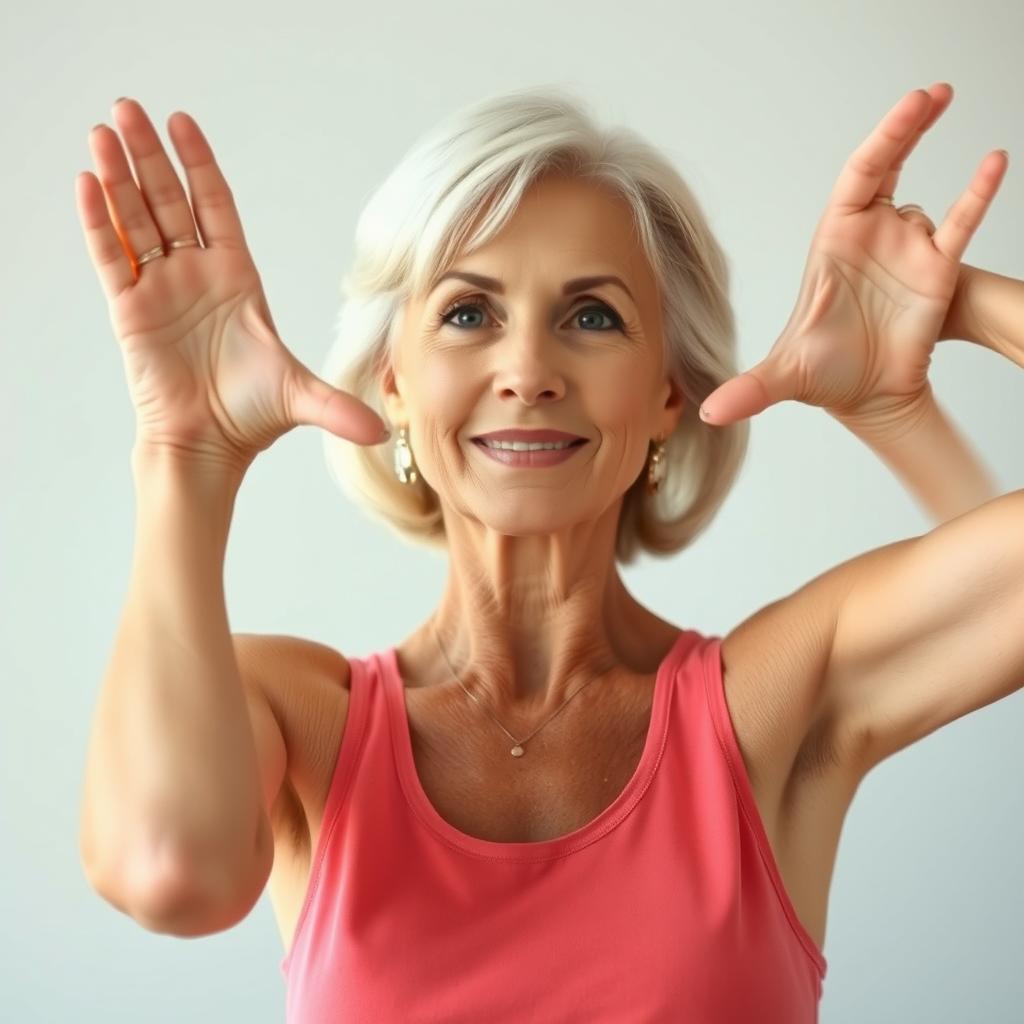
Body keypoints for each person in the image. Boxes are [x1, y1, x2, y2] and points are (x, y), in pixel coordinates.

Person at [76, 83, 1022, 1022]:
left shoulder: (775, 702)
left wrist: (958, 323)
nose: (527, 372)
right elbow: (169, 874)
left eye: (593, 316)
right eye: (468, 313)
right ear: (393, 381)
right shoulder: (292, 713)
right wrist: (183, 457)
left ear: (667, 392)